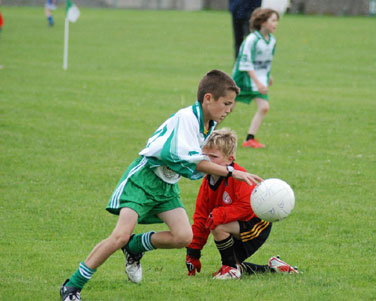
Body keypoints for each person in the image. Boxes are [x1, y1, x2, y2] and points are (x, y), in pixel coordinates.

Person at [60, 70, 262, 301]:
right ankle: (72, 286)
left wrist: (231, 170)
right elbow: (193, 163)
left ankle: (136, 246)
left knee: (183, 236)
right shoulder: (187, 119)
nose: (229, 109)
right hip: (144, 181)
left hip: (166, 187)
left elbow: (204, 160)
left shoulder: (209, 124)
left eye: (232, 105)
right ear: (208, 98)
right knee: (119, 236)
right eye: (226, 103)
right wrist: (231, 172)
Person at [185, 128, 298, 279]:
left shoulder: (239, 177)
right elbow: (200, 217)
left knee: (218, 225)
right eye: (204, 155)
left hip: (256, 223)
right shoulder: (207, 182)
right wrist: (193, 252)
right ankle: (275, 268)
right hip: (236, 223)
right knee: (235, 262)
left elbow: (247, 206)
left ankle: (229, 269)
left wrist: (219, 214)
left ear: (230, 159)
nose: (207, 161)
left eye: (214, 156)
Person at [232, 8, 279, 149]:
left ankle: (249, 139)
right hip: (244, 78)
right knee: (227, 108)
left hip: (258, 79)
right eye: (273, 20)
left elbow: (265, 61)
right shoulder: (252, 40)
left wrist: (267, 75)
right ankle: (206, 133)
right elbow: (245, 63)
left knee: (264, 107)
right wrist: (258, 82)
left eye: (277, 21)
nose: (276, 24)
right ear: (263, 22)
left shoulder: (271, 41)